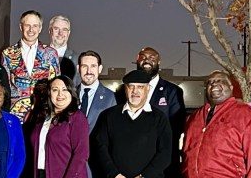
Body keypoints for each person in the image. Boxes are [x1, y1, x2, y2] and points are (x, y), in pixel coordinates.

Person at [180, 70, 251, 178]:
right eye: (209, 82)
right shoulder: (194, 117)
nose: (214, 84)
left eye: (220, 81)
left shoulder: (247, 115)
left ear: (231, 87)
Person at [113, 47, 185, 177]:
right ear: (137, 60)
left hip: (161, 166)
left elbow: (176, 128)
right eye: (143, 57)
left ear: (159, 62)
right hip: (128, 164)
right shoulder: (121, 91)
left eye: (152, 58)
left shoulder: (172, 91)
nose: (147, 60)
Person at [91, 69, 171, 178]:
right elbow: (100, 147)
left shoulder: (159, 118)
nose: (135, 91)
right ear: (125, 89)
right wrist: (114, 174)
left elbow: (165, 153)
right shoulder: (108, 115)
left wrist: (144, 176)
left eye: (140, 87)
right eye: (131, 86)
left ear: (148, 89)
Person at [2, 10, 60, 118]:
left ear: (40, 28)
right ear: (21, 27)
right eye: (27, 25)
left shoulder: (51, 53)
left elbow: (56, 84)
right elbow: (5, 87)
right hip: (15, 113)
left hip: (43, 112)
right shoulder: (8, 53)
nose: (31, 30)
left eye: (35, 26)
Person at [28, 77, 90, 178]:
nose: (60, 94)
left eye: (65, 89)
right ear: (49, 93)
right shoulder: (42, 117)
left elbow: (81, 154)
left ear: (71, 92)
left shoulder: (77, 118)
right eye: (55, 90)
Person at [76, 51, 116, 132]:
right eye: (84, 66)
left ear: (100, 69)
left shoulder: (111, 97)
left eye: (93, 66)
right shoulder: (69, 94)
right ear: (78, 69)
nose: (89, 71)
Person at [47, 15, 78, 81]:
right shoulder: (37, 56)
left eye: (64, 30)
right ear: (50, 31)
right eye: (56, 29)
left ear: (68, 33)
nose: (60, 33)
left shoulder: (77, 60)